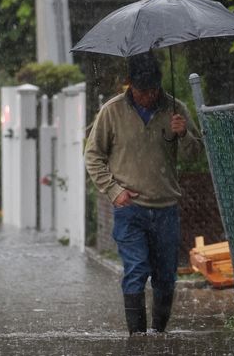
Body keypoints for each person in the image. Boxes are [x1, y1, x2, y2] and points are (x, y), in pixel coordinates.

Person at [84, 51, 202, 335]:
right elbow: (93, 155)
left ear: (159, 85)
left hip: (166, 208)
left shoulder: (176, 109)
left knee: (165, 277)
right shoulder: (111, 112)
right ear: (130, 85)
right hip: (130, 209)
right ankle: (136, 338)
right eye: (141, 90)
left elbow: (196, 153)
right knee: (136, 270)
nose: (147, 96)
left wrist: (183, 133)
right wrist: (113, 190)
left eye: (152, 90)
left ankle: (158, 333)